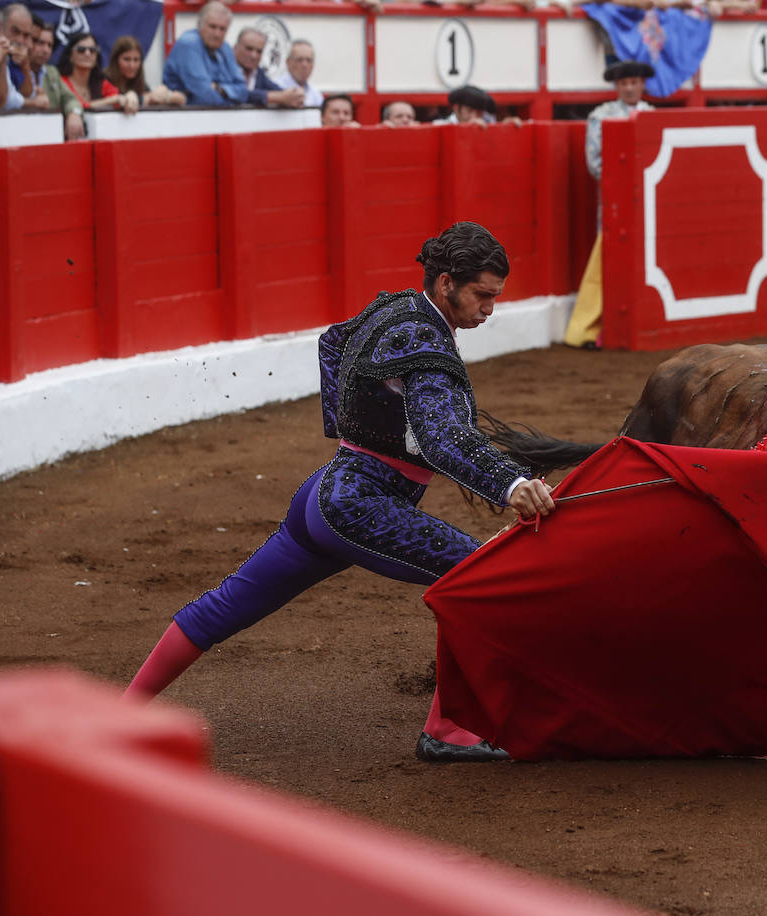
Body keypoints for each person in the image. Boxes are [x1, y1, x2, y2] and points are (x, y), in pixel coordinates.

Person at [124, 222, 557, 764]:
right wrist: (511, 482)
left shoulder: (397, 308)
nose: (489, 309)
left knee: (224, 607)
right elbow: (444, 437)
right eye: (483, 295)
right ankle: (447, 727)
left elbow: (332, 342)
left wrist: (353, 425)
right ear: (447, 283)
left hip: (324, 495)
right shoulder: (426, 340)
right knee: (479, 578)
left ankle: (120, 713)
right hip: (362, 506)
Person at [563, 59, 654, 350]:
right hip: (618, 203)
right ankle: (594, 330)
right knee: (610, 261)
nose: (629, 87)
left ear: (642, 84)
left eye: (634, 82)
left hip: (649, 203)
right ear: (617, 86)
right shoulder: (600, 116)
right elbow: (595, 164)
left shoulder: (653, 116)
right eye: (624, 83)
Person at [162, 1, 246, 107]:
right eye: (212, 27)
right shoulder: (189, 44)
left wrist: (219, 89)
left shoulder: (225, 47)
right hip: (183, 117)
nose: (217, 34)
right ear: (199, 25)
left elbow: (243, 91)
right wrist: (231, 101)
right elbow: (205, 96)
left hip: (214, 117)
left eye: (222, 29)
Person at [57, 32, 137, 114]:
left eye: (92, 50)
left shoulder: (100, 81)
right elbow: (78, 106)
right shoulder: (61, 81)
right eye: (81, 50)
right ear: (70, 56)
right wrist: (112, 100)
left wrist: (130, 95)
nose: (87, 54)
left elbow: (119, 98)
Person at [106, 34, 186, 107]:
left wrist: (165, 96)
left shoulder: (139, 82)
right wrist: (150, 97)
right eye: (127, 59)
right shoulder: (104, 79)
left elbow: (181, 99)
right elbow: (118, 102)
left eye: (136, 60)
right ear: (115, 60)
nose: (132, 65)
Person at [232, 27, 304, 108]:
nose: (254, 55)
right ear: (235, 48)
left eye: (259, 51)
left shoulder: (258, 73)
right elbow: (236, 93)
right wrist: (274, 97)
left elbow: (279, 92)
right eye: (249, 49)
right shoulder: (224, 69)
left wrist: (294, 95)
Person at [275, 38, 323, 108]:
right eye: (299, 60)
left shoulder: (316, 94)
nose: (305, 65)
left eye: (309, 60)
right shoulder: (276, 87)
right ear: (288, 63)